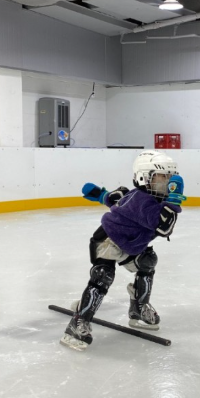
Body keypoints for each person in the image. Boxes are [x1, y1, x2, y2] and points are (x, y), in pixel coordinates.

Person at [60, 150, 185, 351]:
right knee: (103, 276)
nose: (168, 181)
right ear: (145, 178)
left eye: (171, 176)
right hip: (108, 240)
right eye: (163, 176)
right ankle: (79, 321)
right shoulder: (143, 202)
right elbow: (164, 227)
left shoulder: (146, 197)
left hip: (131, 244)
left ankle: (138, 307)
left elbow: (118, 199)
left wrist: (101, 195)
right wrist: (175, 199)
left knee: (147, 262)